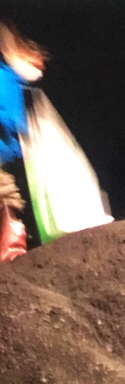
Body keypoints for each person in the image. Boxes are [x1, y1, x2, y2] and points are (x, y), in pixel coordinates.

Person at [0, 20, 48, 249]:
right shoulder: (6, 78)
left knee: (5, 193)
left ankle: (11, 243)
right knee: (5, 193)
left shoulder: (7, 78)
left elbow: (11, 121)